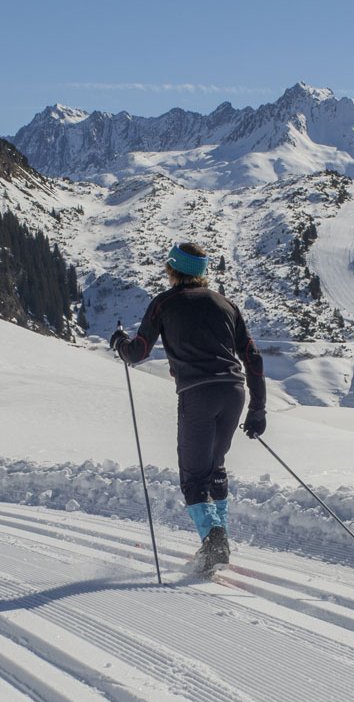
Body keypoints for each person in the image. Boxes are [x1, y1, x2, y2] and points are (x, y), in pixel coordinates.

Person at [110, 242, 266, 570]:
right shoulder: (226, 304)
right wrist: (258, 408)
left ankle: (214, 541)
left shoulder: (164, 304)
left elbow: (138, 352)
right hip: (233, 391)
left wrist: (119, 343)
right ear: (202, 271)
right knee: (215, 466)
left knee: (193, 476)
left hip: (198, 394)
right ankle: (216, 537)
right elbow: (251, 356)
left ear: (172, 269)